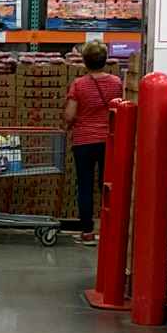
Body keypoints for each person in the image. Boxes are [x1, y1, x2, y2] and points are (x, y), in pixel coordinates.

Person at [64, 41, 122, 245]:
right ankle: (109, 229)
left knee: (85, 186)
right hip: (109, 141)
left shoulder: (79, 85)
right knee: (107, 185)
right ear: (105, 60)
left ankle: (87, 231)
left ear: (85, 61)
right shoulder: (116, 82)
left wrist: (70, 122)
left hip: (83, 142)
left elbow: (70, 115)